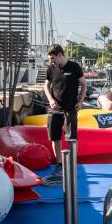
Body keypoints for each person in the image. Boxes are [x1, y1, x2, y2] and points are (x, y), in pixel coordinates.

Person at [43, 44, 86, 180]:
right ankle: (59, 164)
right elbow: (46, 85)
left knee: (71, 138)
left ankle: (72, 163)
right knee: (55, 137)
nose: (51, 61)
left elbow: (84, 84)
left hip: (70, 109)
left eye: (52, 58)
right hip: (54, 109)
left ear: (60, 55)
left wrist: (80, 101)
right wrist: (50, 99)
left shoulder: (74, 67)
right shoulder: (51, 68)